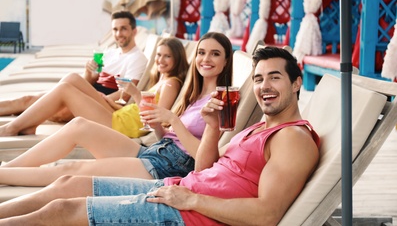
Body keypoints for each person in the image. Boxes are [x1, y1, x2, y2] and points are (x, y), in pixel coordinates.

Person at [0, 46, 320, 225]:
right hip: (177, 190)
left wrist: (191, 199)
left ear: (296, 84)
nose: (264, 86)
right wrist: (211, 126)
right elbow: (204, 169)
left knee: (61, 211)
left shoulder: (292, 138)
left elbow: (267, 214)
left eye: (274, 77)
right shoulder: (260, 128)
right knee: (66, 185)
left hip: (188, 214)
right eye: (260, 78)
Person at [0, 32, 233, 188]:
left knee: (71, 169)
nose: (206, 59)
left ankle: (3, 174)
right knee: (79, 125)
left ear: (225, 61)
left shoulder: (222, 100)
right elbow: (169, 137)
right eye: (202, 52)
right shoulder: (194, 94)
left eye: (215, 54)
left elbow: (206, 163)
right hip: (154, 150)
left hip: (168, 167)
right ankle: (9, 167)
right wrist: (157, 125)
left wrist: (174, 119)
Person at [0, 37, 188, 137]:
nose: (160, 60)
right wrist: (112, 103)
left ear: (177, 59)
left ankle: (12, 127)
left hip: (121, 126)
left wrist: (135, 94)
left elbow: (157, 120)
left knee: (66, 89)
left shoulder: (171, 84)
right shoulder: (161, 80)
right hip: (118, 114)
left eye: (167, 56)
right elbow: (135, 109)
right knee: (72, 78)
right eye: (159, 55)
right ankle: (28, 124)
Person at [0, 10, 147, 119]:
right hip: (84, 92)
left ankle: (18, 123)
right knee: (26, 100)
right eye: (115, 29)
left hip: (100, 102)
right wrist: (89, 72)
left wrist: (93, 97)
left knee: (53, 112)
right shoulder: (109, 53)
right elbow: (88, 81)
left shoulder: (137, 58)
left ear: (134, 32)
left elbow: (125, 96)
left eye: (124, 29)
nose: (119, 33)